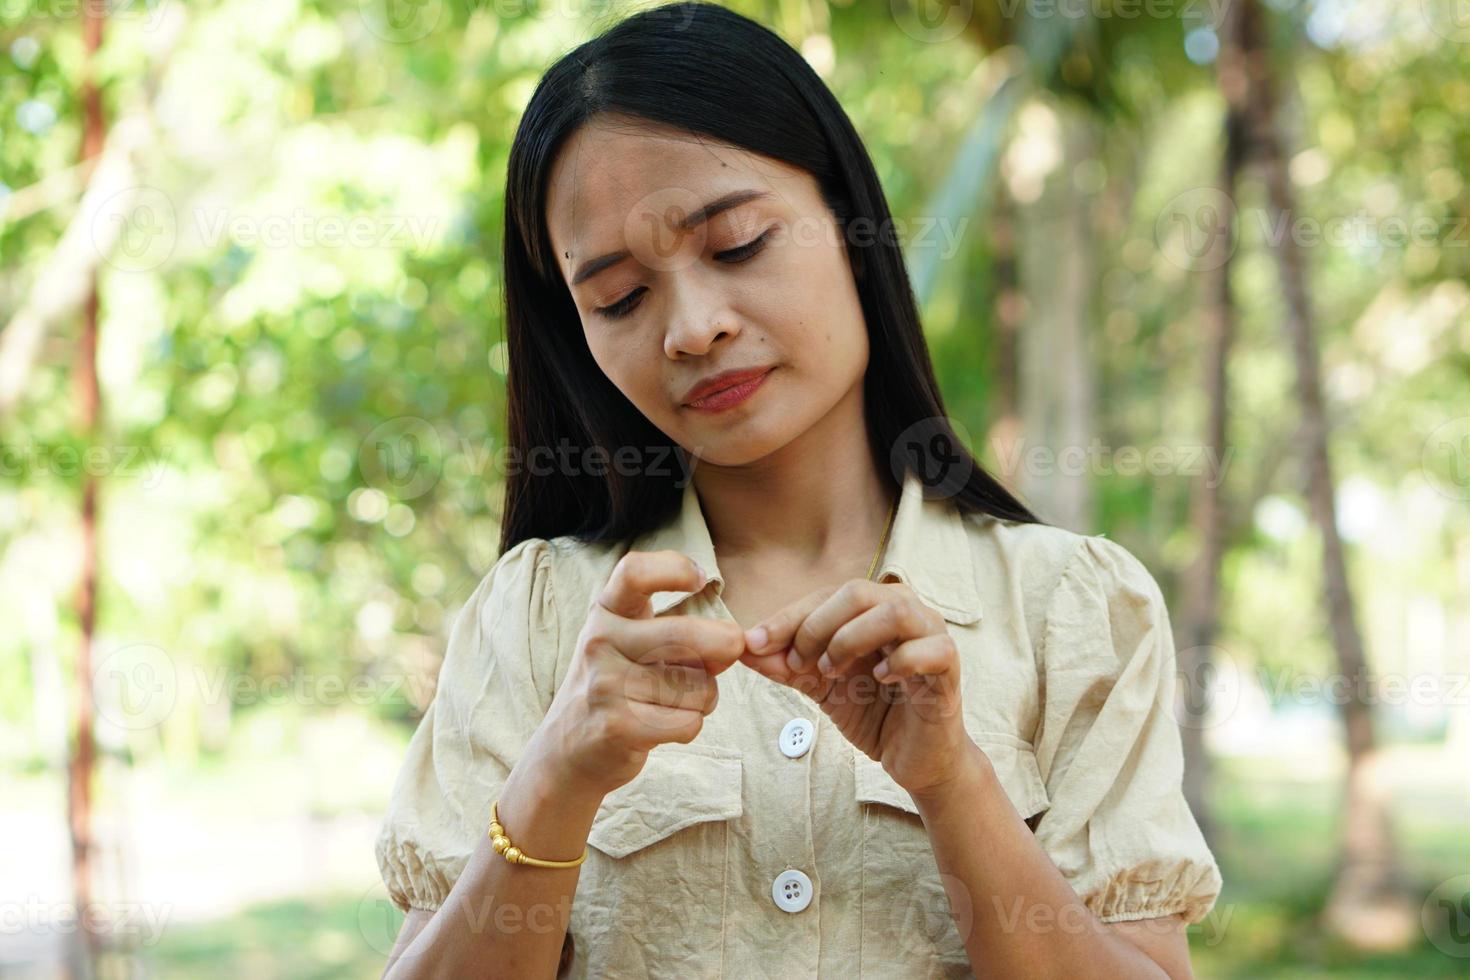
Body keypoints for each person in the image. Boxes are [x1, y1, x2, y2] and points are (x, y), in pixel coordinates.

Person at [375, 3, 1222, 977]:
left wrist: (954, 784)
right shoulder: (531, 616)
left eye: (736, 244)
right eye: (617, 297)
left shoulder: (1075, 606)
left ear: (853, 227)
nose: (691, 328)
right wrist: (553, 783)